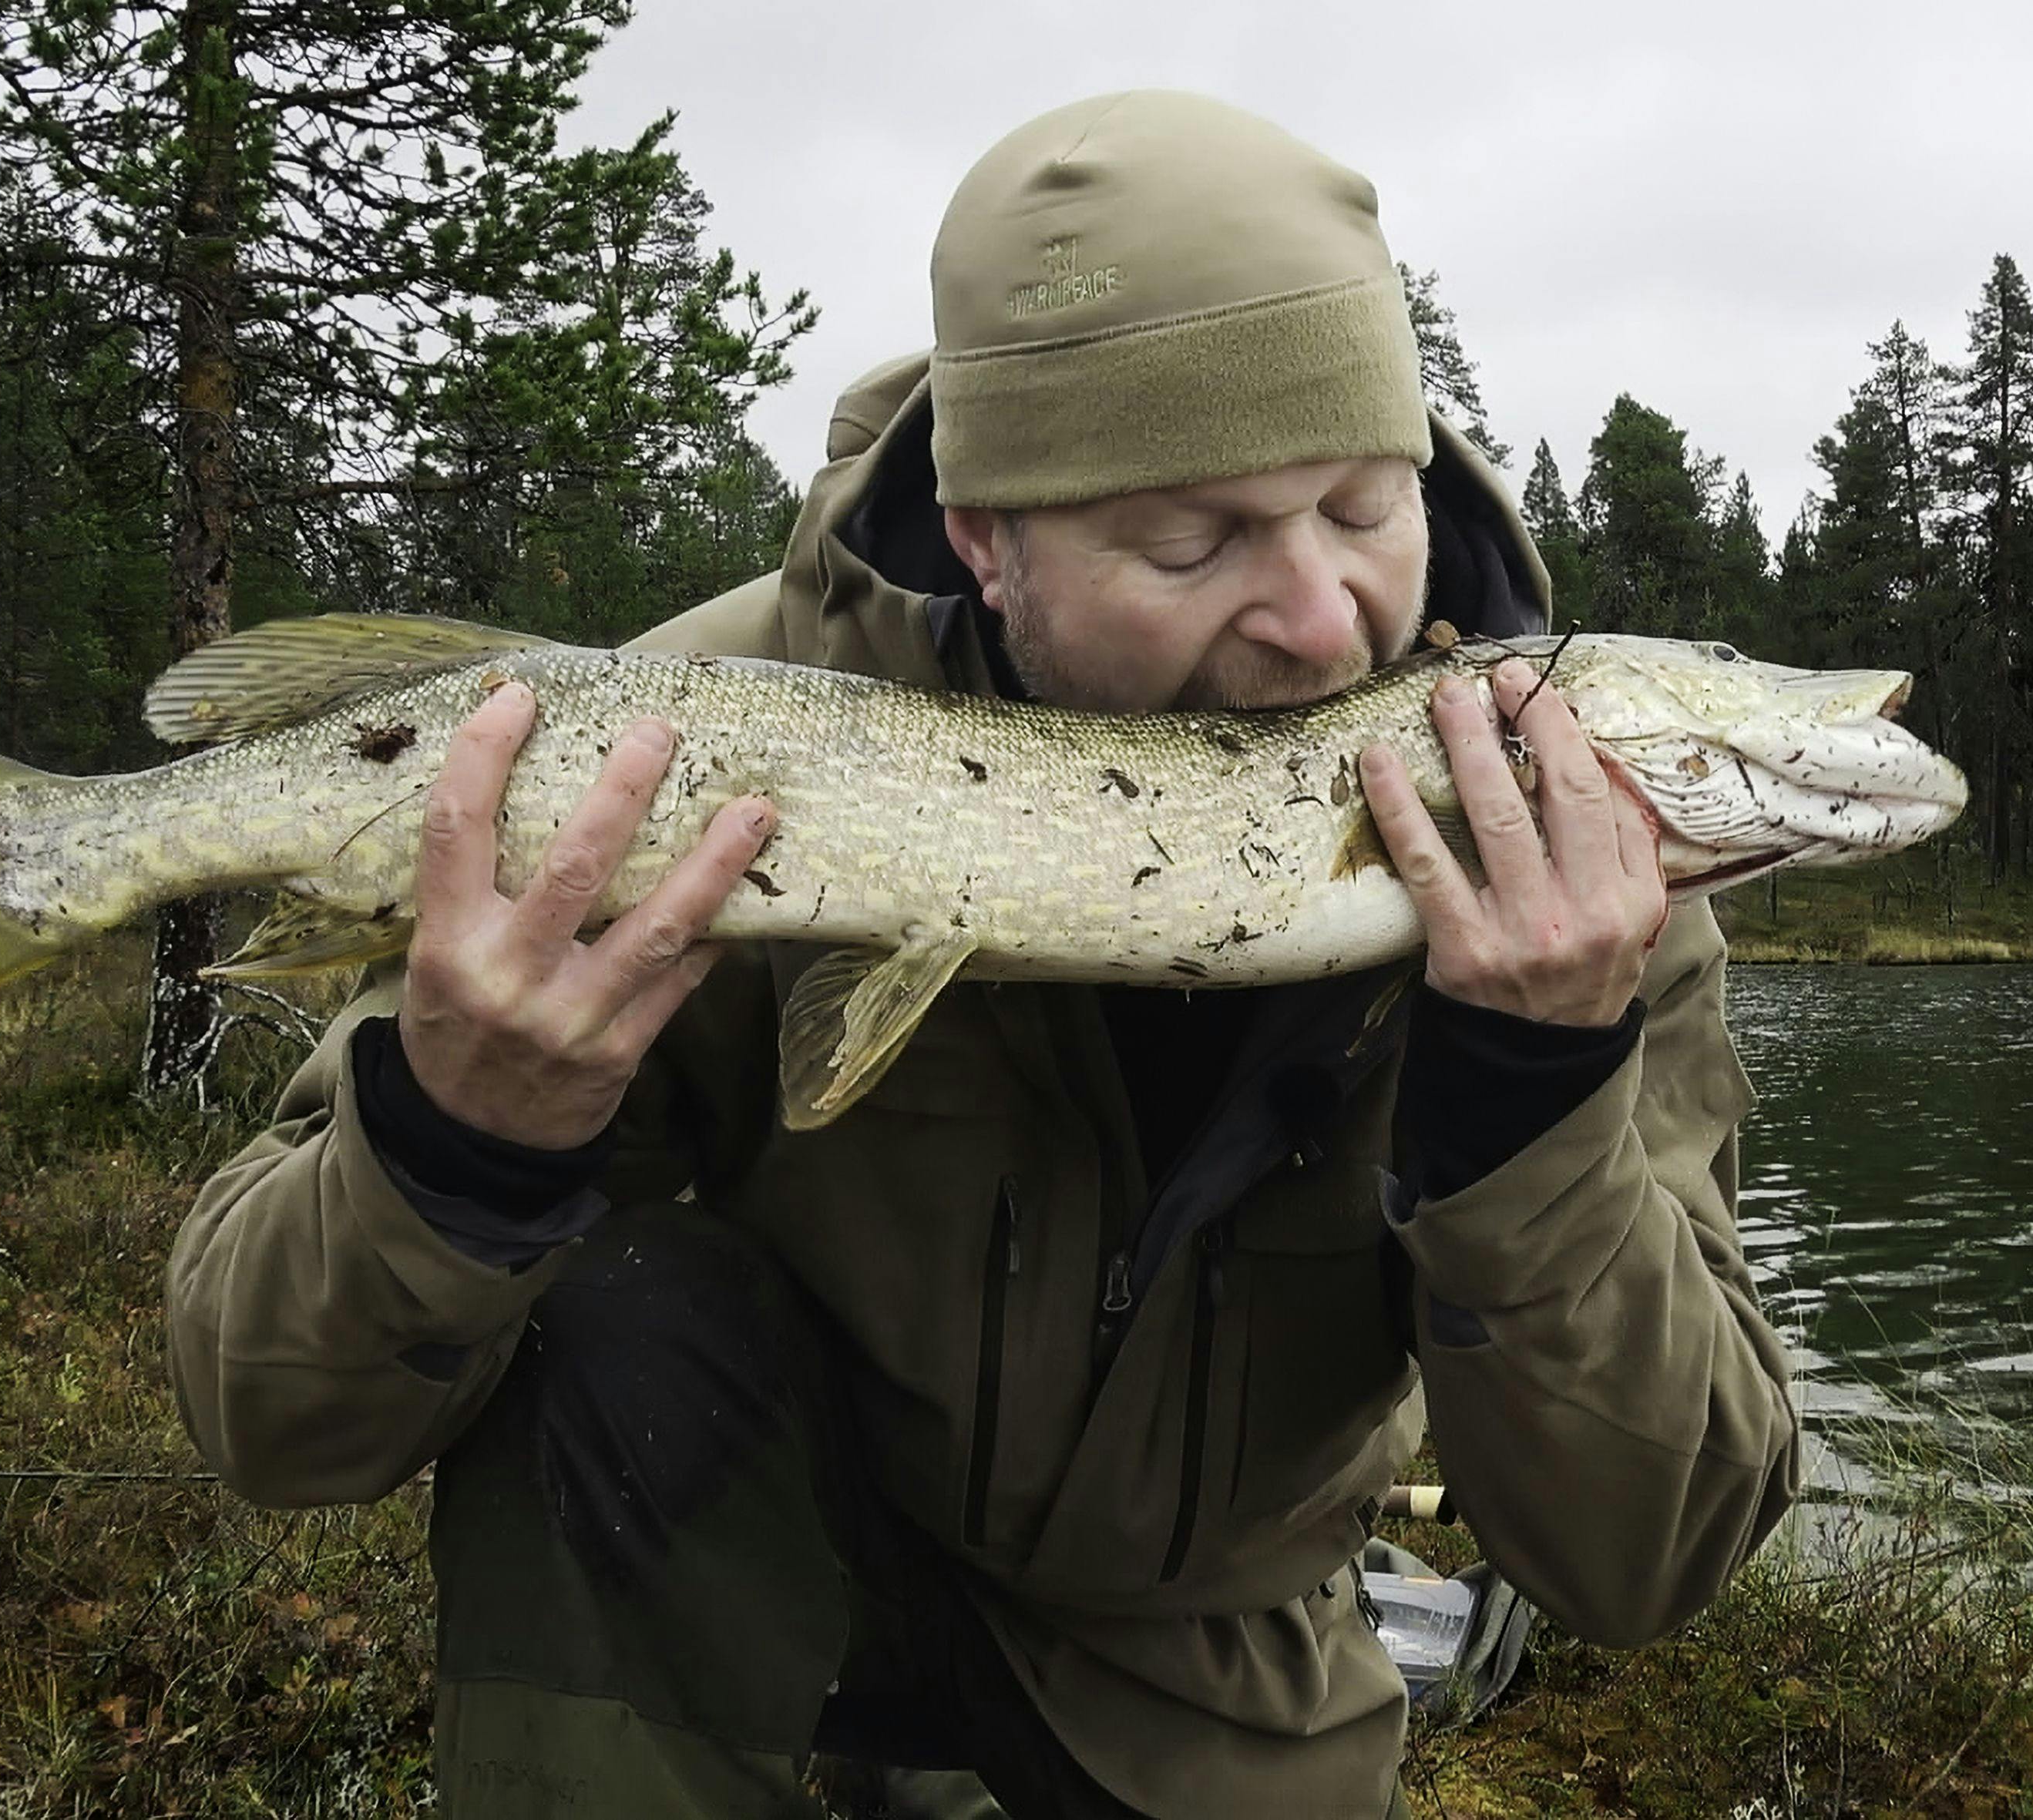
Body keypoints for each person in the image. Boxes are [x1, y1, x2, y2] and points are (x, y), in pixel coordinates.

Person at [165, 91, 1799, 1820]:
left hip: (1202, 1673)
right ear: (985, 537)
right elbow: (279, 1423)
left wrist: (1531, 1097)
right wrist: (453, 1135)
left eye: (1362, 506)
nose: (1322, 619)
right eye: (1189, 541)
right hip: (755, 1556)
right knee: (621, 1323)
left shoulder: (1559, 855)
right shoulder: (665, 758)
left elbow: (1651, 1562)